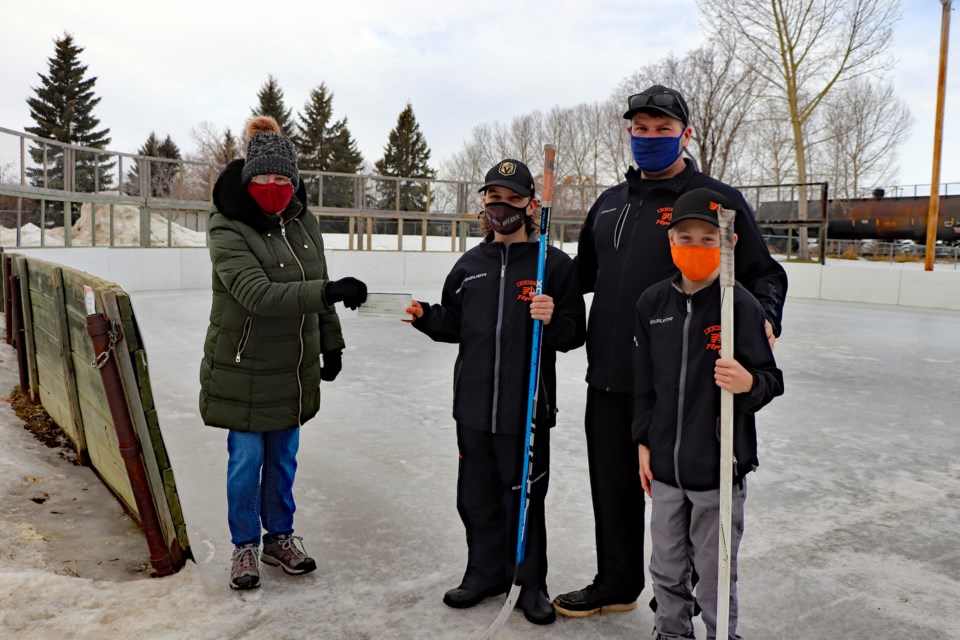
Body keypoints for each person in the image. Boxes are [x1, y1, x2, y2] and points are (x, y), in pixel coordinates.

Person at [553, 85, 788, 618]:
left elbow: (763, 272)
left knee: (682, 494)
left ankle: (679, 595)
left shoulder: (714, 200)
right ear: (629, 133)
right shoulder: (609, 203)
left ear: (685, 134)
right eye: (641, 129)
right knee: (612, 485)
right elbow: (581, 275)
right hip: (610, 374)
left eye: (663, 129)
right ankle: (616, 582)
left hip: (681, 385)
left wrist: (767, 316)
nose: (651, 138)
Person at [405, 159, 586, 625]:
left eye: (511, 198)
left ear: (530, 204)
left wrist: (551, 319)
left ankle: (529, 583)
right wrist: (427, 317)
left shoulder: (554, 265)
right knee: (476, 497)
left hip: (526, 408)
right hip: (473, 408)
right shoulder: (469, 265)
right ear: (483, 204)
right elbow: (456, 324)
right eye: (493, 198)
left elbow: (574, 332)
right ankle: (483, 572)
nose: (501, 206)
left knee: (524, 499)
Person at [199, 115, 368, 591]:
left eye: (282, 179)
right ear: (247, 178)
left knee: (283, 460)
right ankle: (244, 546)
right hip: (244, 364)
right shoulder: (226, 225)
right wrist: (328, 292)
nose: (272, 187)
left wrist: (330, 343)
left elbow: (318, 279)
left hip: (293, 366)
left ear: (294, 182)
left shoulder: (304, 222)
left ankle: (280, 538)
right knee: (246, 460)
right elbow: (257, 294)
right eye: (263, 178)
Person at [632, 187, 784, 639]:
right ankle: (671, 632)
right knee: (666, 566)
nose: (695, 247)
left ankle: (722, 635)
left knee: (715, 572)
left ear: (728, 245)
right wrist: (644, 441)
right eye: (685, 237)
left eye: (707, 238)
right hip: (665, 470)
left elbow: (771, 380)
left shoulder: (740, 305)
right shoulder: (652, 304)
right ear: (670, 241)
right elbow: (644, 387)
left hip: (718, 472)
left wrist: (748, 382)